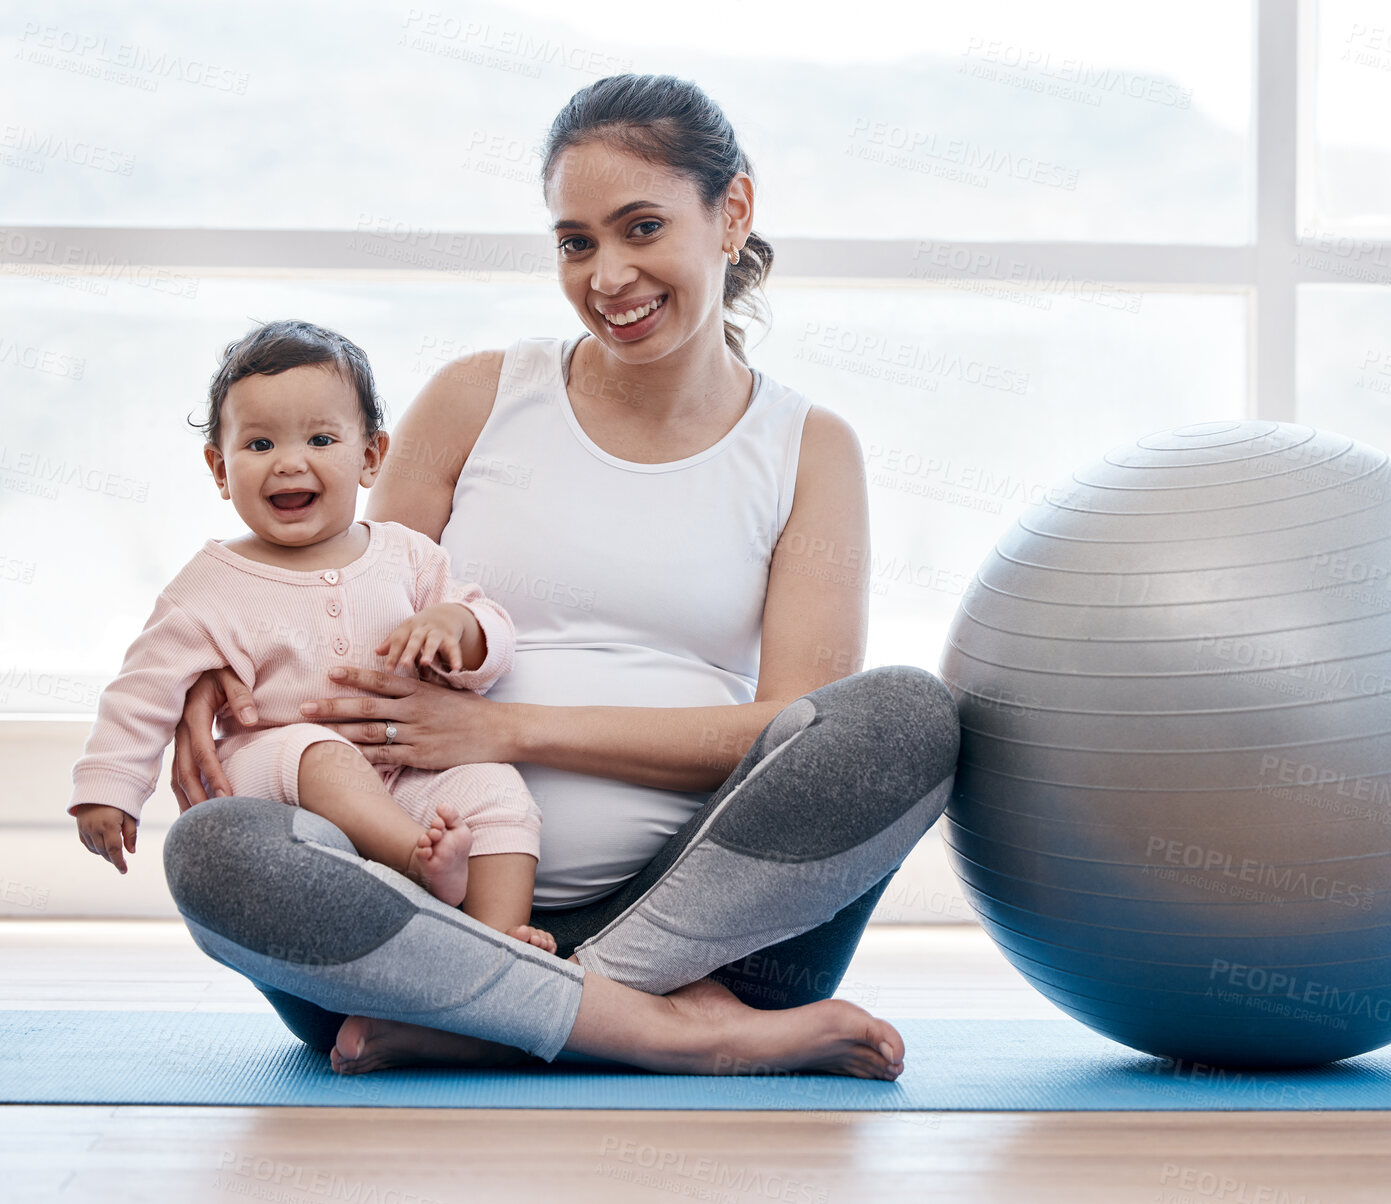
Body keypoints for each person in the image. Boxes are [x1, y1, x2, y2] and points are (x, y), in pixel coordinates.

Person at [160, 72, 961, 1079]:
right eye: (576, 241)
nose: (607, 274)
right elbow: (339, 616)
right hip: (427, 904)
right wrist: (211, 670)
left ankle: (495, 1015)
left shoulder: (808, 447)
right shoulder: (478, 397)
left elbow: (790, 725)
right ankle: (668, 1030)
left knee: (905, 719)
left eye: (640, 228)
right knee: (214, 850)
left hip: (709, 936)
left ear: (733, 213)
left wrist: (507, 728)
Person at [70, 319, 554, 950]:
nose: (290, 462)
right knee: (318, 752)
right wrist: (107, 790)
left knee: (495, 789)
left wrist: (457, 629)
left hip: (404, 773)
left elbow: (489, 630)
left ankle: (502, 946)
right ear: (220, 469)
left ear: (371, 457)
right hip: (279, 765)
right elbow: (142, 690)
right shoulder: (211, 581)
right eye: (260, 444)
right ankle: (417, 861)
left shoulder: (407, 556)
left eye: (322, 438)